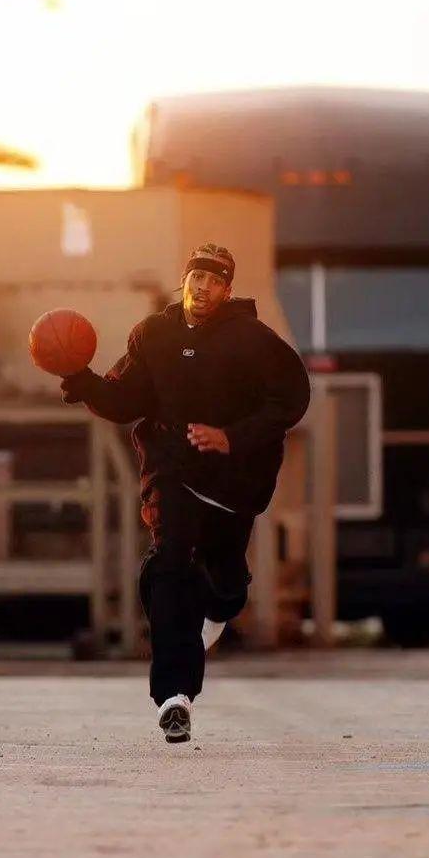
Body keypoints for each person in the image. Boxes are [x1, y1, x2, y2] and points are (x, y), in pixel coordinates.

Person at [61, 242, 311, 743]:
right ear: (185, 280)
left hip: (232, 484)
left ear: (228, 289)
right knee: (168, 564)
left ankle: (220, 606)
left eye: (215, 281)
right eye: (197, 277)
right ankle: (174, 696)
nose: (203, 287)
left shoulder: (253, 340)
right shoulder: (154, 334)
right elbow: (125, 397)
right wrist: (82, 379)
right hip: (171, 473)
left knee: (224, 582)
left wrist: (231, 437)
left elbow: (293, 397)